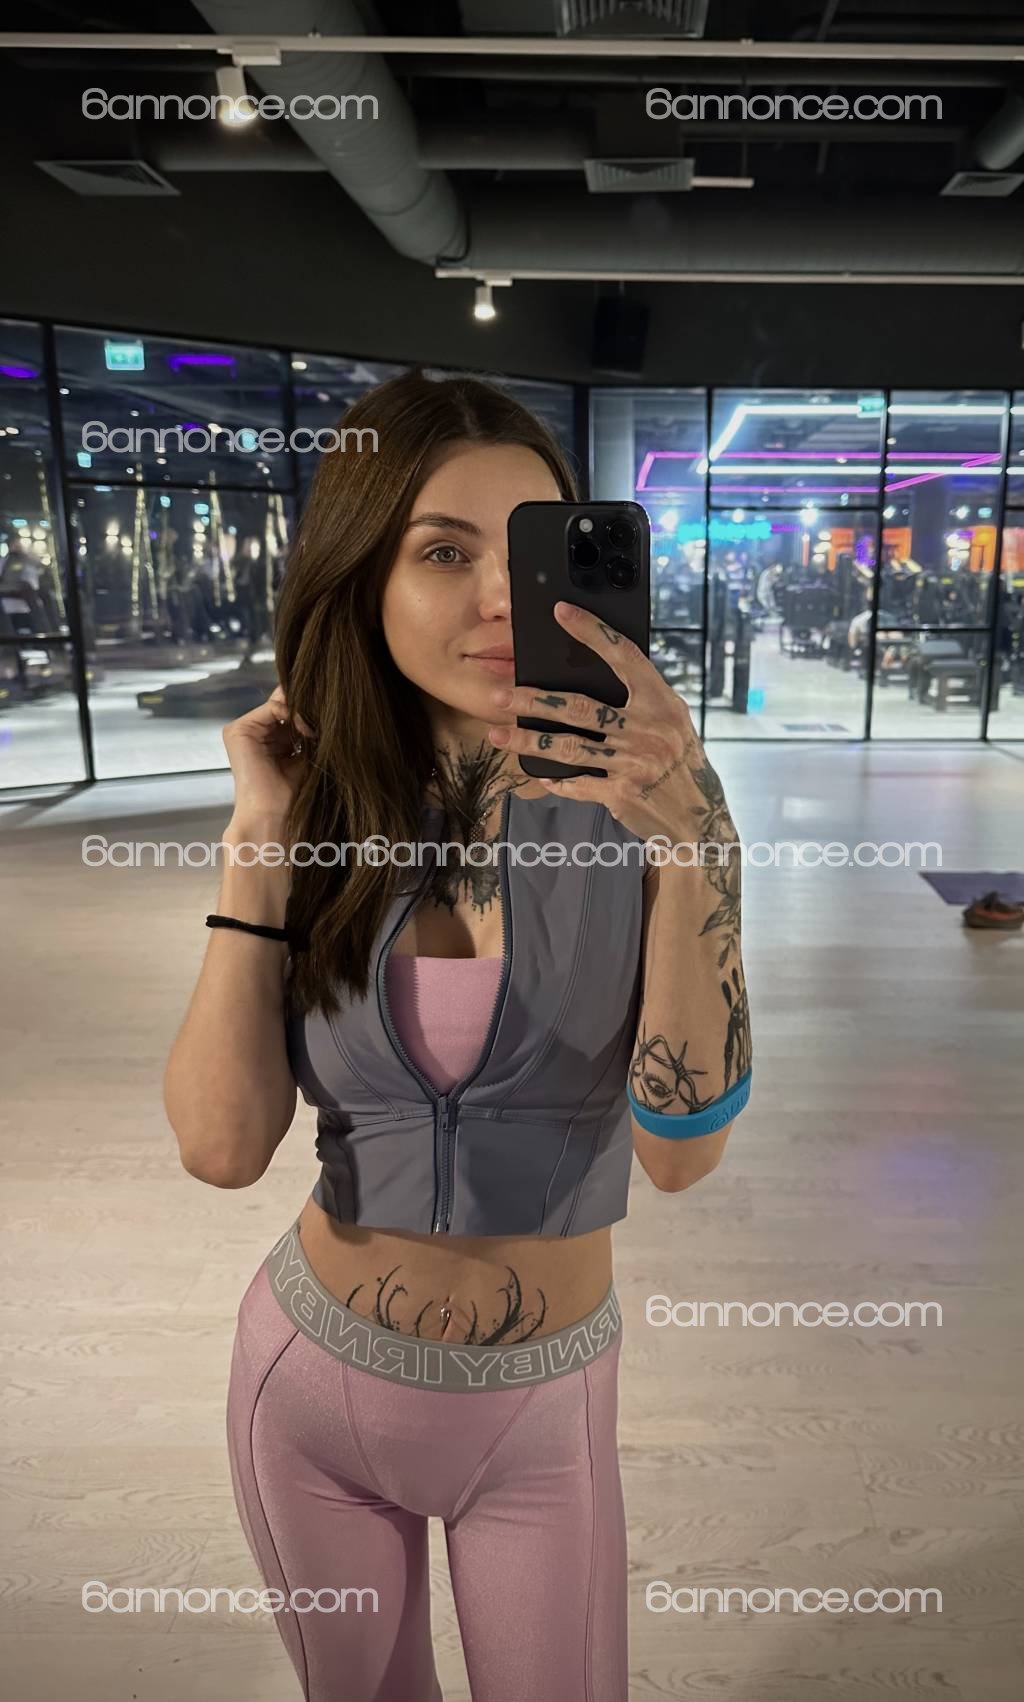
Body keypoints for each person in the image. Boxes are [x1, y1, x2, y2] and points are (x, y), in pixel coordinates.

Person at [163, 371, 753, 1702]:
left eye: (532, 553)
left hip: (542, 1406)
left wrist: (698, 847)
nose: (501, 597)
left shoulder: (647, 806)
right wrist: (258, 838)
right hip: (306, 1387)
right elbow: (220, 1145)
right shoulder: (318, 815)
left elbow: (679, 1150)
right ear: (364, 576)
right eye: (443, 552)